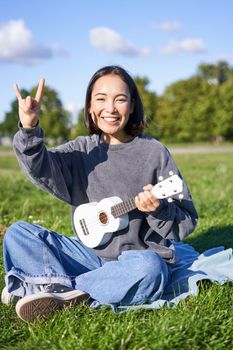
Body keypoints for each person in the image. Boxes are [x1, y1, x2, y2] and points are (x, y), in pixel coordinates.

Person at [1, 65, 198, 323]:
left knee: (152, 270)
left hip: (135, 261)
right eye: (101, 99)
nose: (111, 108)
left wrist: (158, 209)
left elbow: (185, 220)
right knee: (18, 233)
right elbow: (42, 168)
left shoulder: (154, 152)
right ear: (90, 107)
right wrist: (29, 128)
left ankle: (53, 288)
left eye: (120, 99)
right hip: (87, 255)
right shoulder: (82, 149)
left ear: (132, 104)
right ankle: (76, 290)